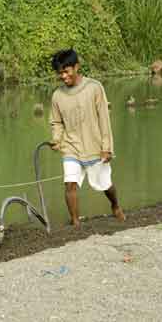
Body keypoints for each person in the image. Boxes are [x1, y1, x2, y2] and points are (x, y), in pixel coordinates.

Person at [49, 49, 126, 229]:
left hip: (95, 146)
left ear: (76, 67)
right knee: (70, 184)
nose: (63, 76)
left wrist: (107, 147)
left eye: (66, 71)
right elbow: (56, 122)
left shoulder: (94, 87)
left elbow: (104, 120)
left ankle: (115, 205)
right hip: (71, 147)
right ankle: (76, 223)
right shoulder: (57, 96)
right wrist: (57, 139)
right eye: (60, 73)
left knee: (105, 184)